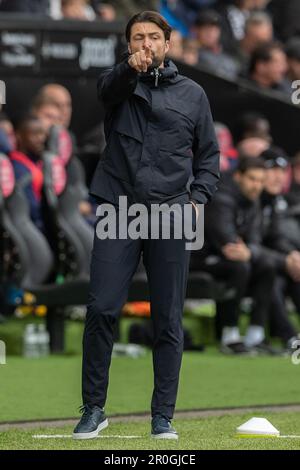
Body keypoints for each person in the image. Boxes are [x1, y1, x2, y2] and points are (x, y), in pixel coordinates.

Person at [73, 10, 220, 440]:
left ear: (168, 43)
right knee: (101, 308)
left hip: (173, 213)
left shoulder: (194, 95)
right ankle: (94, 408)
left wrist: (198, 200)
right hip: (118, 209)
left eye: (153, 37)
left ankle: (163, 416)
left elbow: (209, 158)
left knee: (168, 318)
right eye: (138, 38)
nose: (146, 44)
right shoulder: (119, 83)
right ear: (128, 44)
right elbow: (106, 89)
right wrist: (127, 69)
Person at [190, 157, 277, 354]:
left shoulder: (252, 201)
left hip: (231, 257)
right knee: (239, 267)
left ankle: (256, 335)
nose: (257, 186)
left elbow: (255, 240)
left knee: (267, 266)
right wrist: (248, 251)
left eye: (261, 181)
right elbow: (226, 242)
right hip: (199, 258)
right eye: (252, 179)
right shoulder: (221, 197)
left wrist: (250, 251)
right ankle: (229, 335)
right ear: (239, 176)